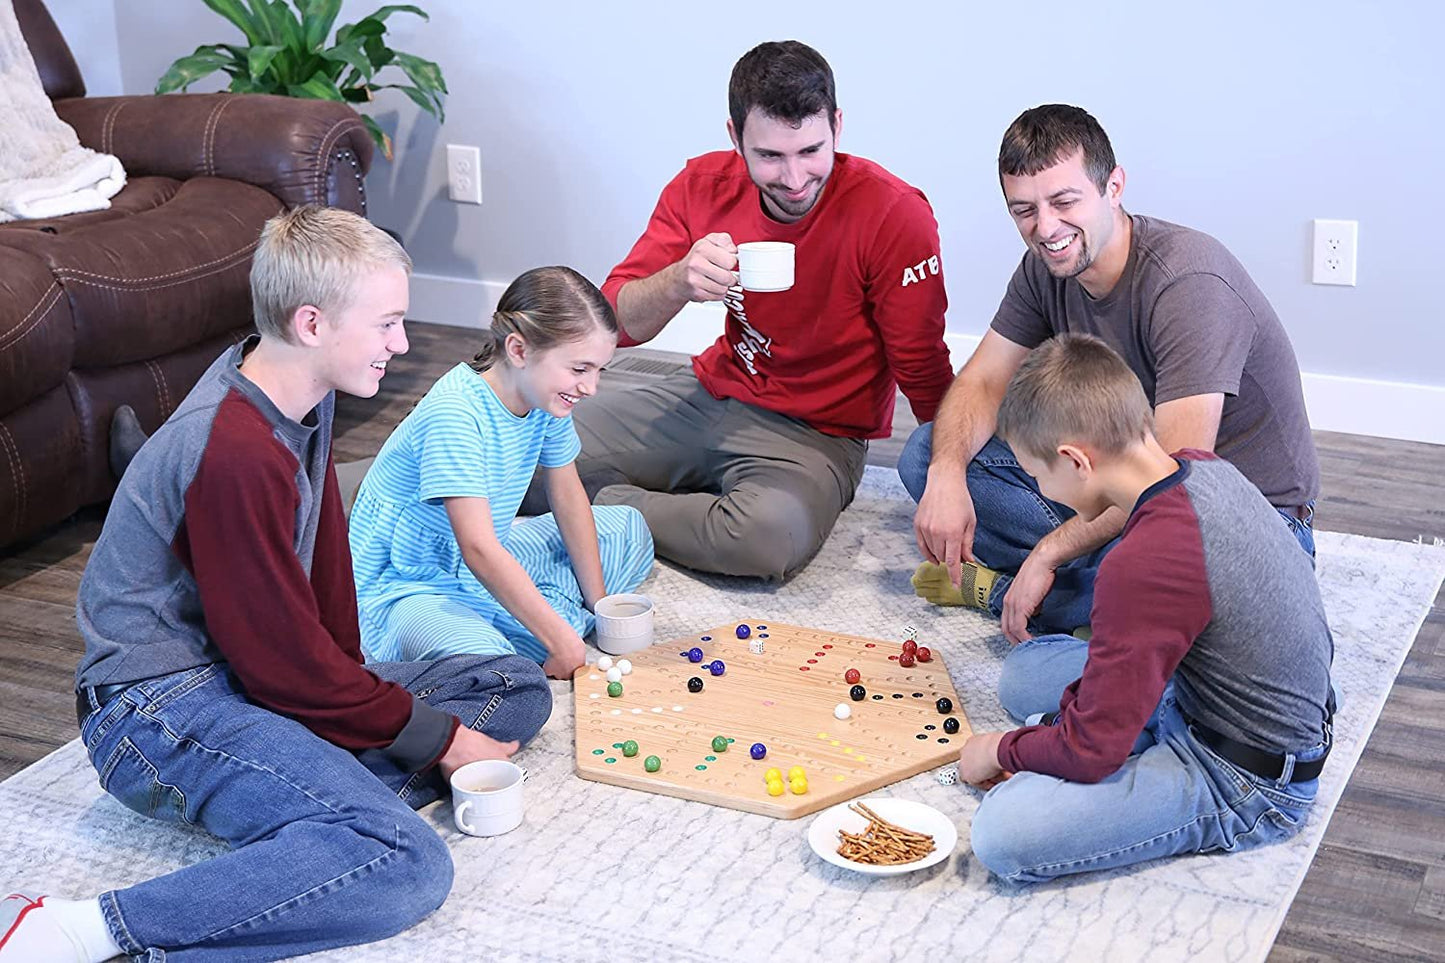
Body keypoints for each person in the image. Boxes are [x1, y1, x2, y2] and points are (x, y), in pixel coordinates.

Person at [1, 207, 553, 962]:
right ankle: (77, 928)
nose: (404, 343)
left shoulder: (297, 388)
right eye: (388, 323)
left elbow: (321, 565)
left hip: (240, 677)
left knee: (510, 682)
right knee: (405, 862)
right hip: (154, 707)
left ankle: (309, 819)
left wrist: (354, 680)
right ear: (312, 323)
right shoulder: (234, 449)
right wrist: (436, 735)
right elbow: (281, 666)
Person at [528, 40, 953, 581]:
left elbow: (922, 362)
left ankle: (597, 501)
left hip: (819, 433)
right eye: (771, 156)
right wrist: (678, 280)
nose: (795, 179)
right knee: (517, 447)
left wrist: (949, 471)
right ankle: (627, 498)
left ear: (837, 126)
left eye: (811, 151)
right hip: (710, 392)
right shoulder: (701, 185)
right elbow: (612, 322)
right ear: (736, 138)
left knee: (765, 538)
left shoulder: (893, 214)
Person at [904, 104, 1319, 643]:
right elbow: (983, 381)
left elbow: (1169, 484)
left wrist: (1051, 549)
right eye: (1023, 210)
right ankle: (1088, 597)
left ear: (1114, 186)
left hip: (1244, 524)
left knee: (1120, 606)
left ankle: (1025, 591)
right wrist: (946, 476)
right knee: (928, 454)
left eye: (1064, 201)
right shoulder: (1047, 267)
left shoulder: (1188, 283)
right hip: (1126, 484)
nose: (1045, 227)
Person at [956, 333, 1334, 883]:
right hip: (1223, 690)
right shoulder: (1202, 467)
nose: (1042, 490)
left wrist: (1002, 750)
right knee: (1021, 677)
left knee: (1004, 832)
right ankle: (1112, 724)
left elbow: (1092, 751)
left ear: (1074, 461)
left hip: (1250, 777)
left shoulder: (1144, 561)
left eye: (1039, 476)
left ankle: (1142, 749)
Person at [348, 266, 654, 679]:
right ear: (519, 350)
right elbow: (477, 548)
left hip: (487, 553)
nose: (591, 387)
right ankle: (513, 628)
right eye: (580, 369)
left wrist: (599, 607)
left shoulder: (547, 397)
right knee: (494, 667)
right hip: (410, 582)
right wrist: (563, 640)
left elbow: (567, 495)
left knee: (627, 528)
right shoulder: (455, 412)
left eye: (600, 371)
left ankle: (530, 617)